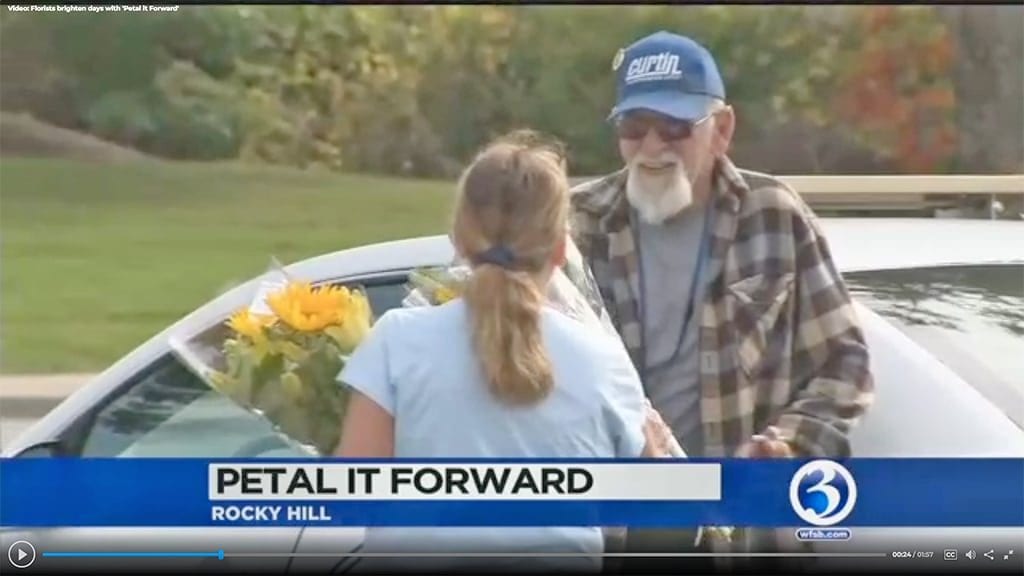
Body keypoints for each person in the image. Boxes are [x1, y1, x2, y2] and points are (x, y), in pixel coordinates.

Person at [569, 31, 876, 568]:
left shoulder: (775, 216)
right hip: (613, 531)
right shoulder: (576, 223)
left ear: (722, 130)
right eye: (634, 128)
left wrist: (786, 445)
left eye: (675, 129)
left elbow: (845, 365)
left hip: (747, 536)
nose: (652, 147)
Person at [335, 133, 678, 574]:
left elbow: (350, 502)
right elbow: (663, 519)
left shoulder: (397, 342)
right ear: (559, 249)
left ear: (459, 239)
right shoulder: (603, 363)